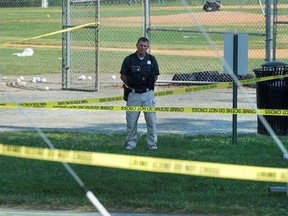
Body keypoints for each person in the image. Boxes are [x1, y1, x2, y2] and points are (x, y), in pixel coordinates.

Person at [120, 37, 160, 150]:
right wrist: (133, 86)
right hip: (133, 95)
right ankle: (130, 144)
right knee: (131, 121)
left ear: (148, 47)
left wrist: (146, 87)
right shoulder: (129, 60)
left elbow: (155, 76)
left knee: (151, 121)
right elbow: (123, 76)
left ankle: (152, 144)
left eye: (145, 46)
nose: (142, 48)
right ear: (136, 45)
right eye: (140, 45)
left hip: (148, 95)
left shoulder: (152, 59)